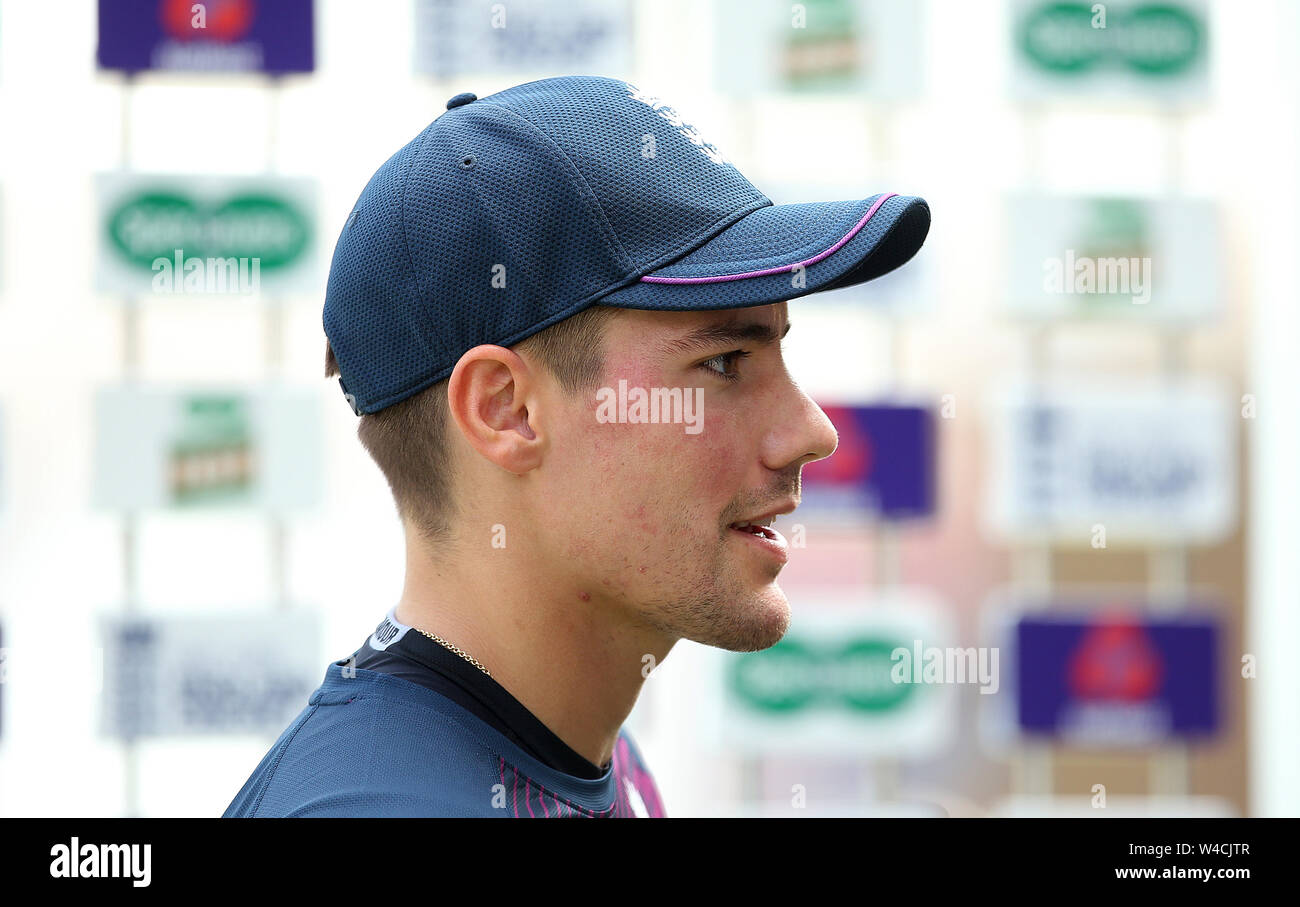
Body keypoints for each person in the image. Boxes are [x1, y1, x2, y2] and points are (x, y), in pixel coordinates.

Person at [223, 75, 929, 817]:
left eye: (778, 350)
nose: (814, 433)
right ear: (507, 409)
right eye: (724, 362)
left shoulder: (590, 747)